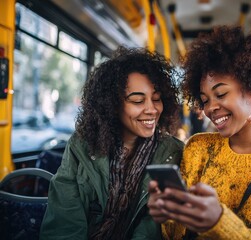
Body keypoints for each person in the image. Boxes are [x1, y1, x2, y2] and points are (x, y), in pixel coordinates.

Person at [147, 26, 251, 239]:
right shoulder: (198, 148)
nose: (210, 108)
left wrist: (219, 223)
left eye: (221, 94)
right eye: (205, 100)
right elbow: (175, 234)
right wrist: (167, 214)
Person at [40, 47, 184, 240]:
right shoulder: (81, 146)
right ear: (113, 105)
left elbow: (152, 228)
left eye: (156, 99)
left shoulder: (172, 153)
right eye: (138, 101)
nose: (152, 109)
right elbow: (64, 222)